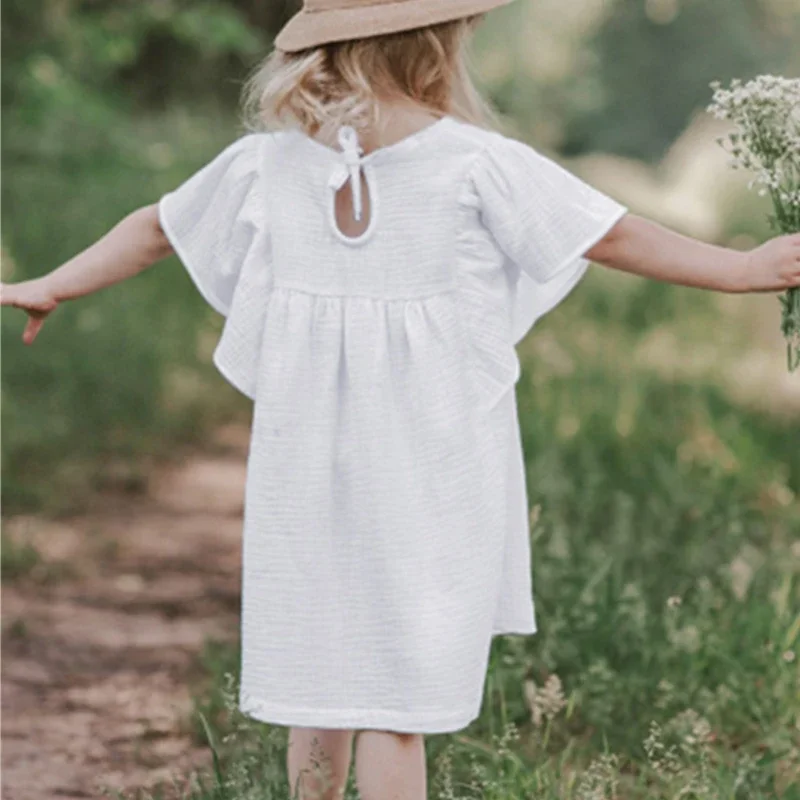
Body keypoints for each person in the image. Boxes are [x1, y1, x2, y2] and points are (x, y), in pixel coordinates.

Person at [2, 1, 799, 798]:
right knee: (397, 694)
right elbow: (608, 234)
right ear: (438, 46)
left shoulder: (268, 163)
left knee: (320, 679)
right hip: (435, 470)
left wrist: (53, 284)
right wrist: (741, 269)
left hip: (305, 469)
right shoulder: (478, 162)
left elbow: (156, 229)